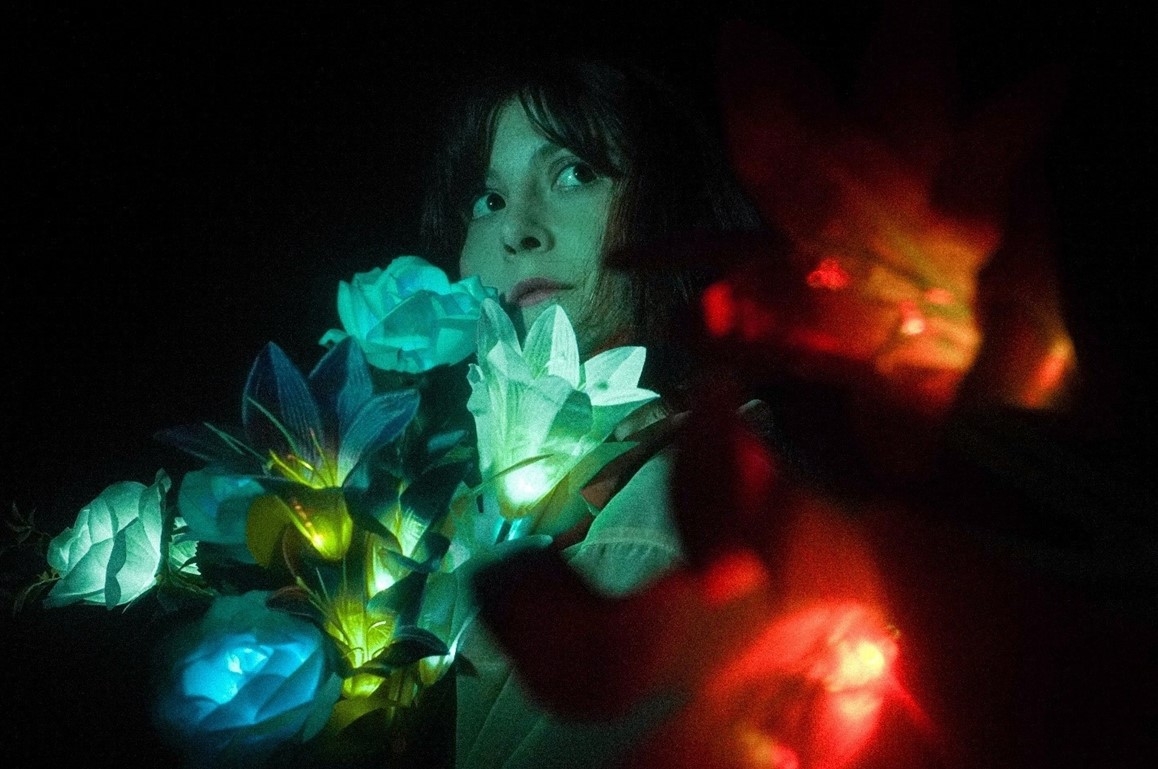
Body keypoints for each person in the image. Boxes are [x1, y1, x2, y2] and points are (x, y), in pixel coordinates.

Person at [418, 50, 766, 768]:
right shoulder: (463, 513)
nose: (516, 230)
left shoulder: (658, 534)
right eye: (487, 198)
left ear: (676, 208)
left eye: (575, 172)